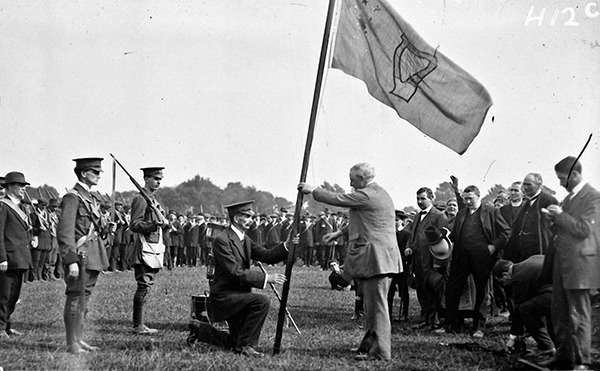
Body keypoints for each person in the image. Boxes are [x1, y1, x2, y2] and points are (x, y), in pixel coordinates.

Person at [298, 162, 402, 361]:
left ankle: (381, 352)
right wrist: (338, 232)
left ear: (362, 178)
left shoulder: (368, 194)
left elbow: (339, 199)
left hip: (376, 259)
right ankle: (369, 346)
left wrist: (313, 191)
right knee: (371, 307)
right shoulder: (375, 193)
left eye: (352, 178)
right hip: (377, 258)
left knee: (377, 308)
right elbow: (364, 220)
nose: (350, 182)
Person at [188, 200, 290, 358]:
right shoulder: (222, 240)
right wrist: (267, 277)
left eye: (251, 216)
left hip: (238, 296)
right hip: (225, 297)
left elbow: (266, 255)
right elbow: (234, 272)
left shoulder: (245, 239)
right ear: (236, 219)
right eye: (248, 216)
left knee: (233, 342)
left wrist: (287, 245)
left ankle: (200, 330)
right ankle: (246, 346)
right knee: (261, 302)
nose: (251, 220)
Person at [539, 156, 600, 370]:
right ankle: (564, 357)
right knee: (560, 313)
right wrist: (553, 221)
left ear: (575, 175)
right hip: (563, 263)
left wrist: (561, 215)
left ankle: (582, 362)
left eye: (563, 179)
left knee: (579, 316)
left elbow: (584, 229)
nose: (560, 184)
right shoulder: (570, 198)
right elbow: (567, 229)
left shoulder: (594, 198)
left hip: (580, 266)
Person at [57, 158, 111, 353]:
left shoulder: (91, 198)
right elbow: (65, 232)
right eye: (95, 172)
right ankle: (72, 343)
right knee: (75, 298)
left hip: (93, 255)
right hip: (79, 257)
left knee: (84, 299)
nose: (98, 175)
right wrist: (70, 261)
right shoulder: (72, 198)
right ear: (83, 174)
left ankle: (79, 339)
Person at [443, 185, 511, 337]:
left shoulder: (491, 211)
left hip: (482, 257)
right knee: (453, 288)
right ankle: (452, 324)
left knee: (482, 291)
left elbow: (506, 232)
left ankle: (479, 327)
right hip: (462, 257)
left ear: (479, 197)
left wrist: (493, 247)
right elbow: (454, 235)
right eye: (465, 199)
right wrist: (443, 236)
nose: (467, 202)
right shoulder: (462, 214)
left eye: (470, 199)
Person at [130, 166, 170, 335]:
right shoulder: (141, 199)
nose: (158, 182)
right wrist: (154, 225)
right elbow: (134, 224)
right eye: (155, 179)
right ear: (146, 179)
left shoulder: (153, 200)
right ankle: (138, 325)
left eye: (160, 179)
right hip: (144, 248)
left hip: (153, 246)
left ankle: (140, 324)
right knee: (143, 286)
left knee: (146, 286)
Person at [493, 256, 555, 358]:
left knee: (525, 310)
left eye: (501, 282)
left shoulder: (518, 279)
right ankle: (554, 345)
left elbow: (517, 310)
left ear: (505, 275)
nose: (503, 285)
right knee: (539, 306)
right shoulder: (533, 258)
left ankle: (546, 347)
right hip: (566, 288)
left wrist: (512, 338)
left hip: (555, 295)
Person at [406, 187, 448, 331]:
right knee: (421, 289)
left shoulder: (439, 216)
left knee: (432, 289)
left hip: (431, 261)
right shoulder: (418, 215)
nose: (419, 201)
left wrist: (437, 263)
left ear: (431, 198)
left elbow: (442, 241)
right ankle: (425, 319)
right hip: (417, 259)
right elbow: (412, 233)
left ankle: (434, 320)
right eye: (418, 198)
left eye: (423, 198)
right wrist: (408, 246)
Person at [0, 172, 33, 339]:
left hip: (20, 257)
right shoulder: (3, 206)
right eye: (20, 186)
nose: (23, 189)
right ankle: (0, 329)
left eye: (24, 186)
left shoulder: (19, 207)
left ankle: (7, 326)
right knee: (3, 295)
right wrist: (2, 257)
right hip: (9, 258)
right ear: (9, 187)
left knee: (13, 296)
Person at [505, 173, 558, 264]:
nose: (525, 187)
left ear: (539, 185)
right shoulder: (526, 204)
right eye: (524, 184)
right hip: (524, 254)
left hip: (542, 252)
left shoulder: (549, 201)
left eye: (528, 184)